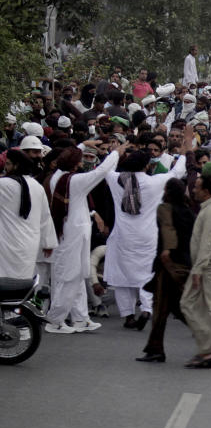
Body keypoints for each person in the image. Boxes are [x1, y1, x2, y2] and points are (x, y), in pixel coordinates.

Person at [104, 134, 189, 330]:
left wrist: (115, 153)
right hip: (148, 237)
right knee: (147, 275)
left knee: (122, 278)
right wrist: (183, 154)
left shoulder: (117, 180)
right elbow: (177, 172)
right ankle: (146, 309)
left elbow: (105, 169)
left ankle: (128, 316)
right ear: (147, 166)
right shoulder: (155, 182)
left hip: (123, 237)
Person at [44, 142, 126, 334]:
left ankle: (81, 318)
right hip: (70, 237)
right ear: (74, 165)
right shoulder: (74, 182)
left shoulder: (60, 177)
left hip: (75, 235)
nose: (82, 163)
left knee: (79, 275)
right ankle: (55, 320)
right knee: (69, 277)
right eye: (80, 160)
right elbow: (101, 172)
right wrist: (115, 153)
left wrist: (82, 145)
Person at [138, 178, 196, 363]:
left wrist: (167, 251)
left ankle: (209, 340)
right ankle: (210, 340)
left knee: (162, 306)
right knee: (178, 307)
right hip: (186, 262)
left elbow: (167, 228)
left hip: (169, 265)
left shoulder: (165, 208)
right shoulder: (189, 212)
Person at [181, 173, 211, 369]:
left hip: (210, 268)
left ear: (206, 191)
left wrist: (198, 269)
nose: (194, 190)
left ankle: (210, 350)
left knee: (191, 303)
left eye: (197, 187)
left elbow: (207, 243)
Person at [0, 150, 57, 281]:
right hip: (30, 243)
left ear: (16, 166)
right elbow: (45, 217)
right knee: (23, 281)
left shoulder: (4, 185)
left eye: (8, 164)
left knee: (5, 282)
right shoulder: (37, 186)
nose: (5, 167)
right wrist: (48, 243)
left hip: (7, 244)